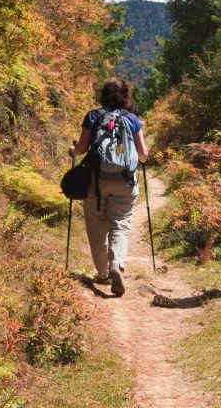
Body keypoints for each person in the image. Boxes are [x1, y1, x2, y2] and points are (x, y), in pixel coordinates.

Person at [69, 78, 148, 296]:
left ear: (103, 94)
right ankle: (117, 265)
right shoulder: (133, 119)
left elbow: (81, 149)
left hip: (95, 180)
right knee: (120, 224)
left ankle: (103, 273)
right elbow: (142, 155)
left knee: (96, 227)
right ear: (125, 95)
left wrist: (72, 150)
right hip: (125, 182)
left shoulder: (93, 116)